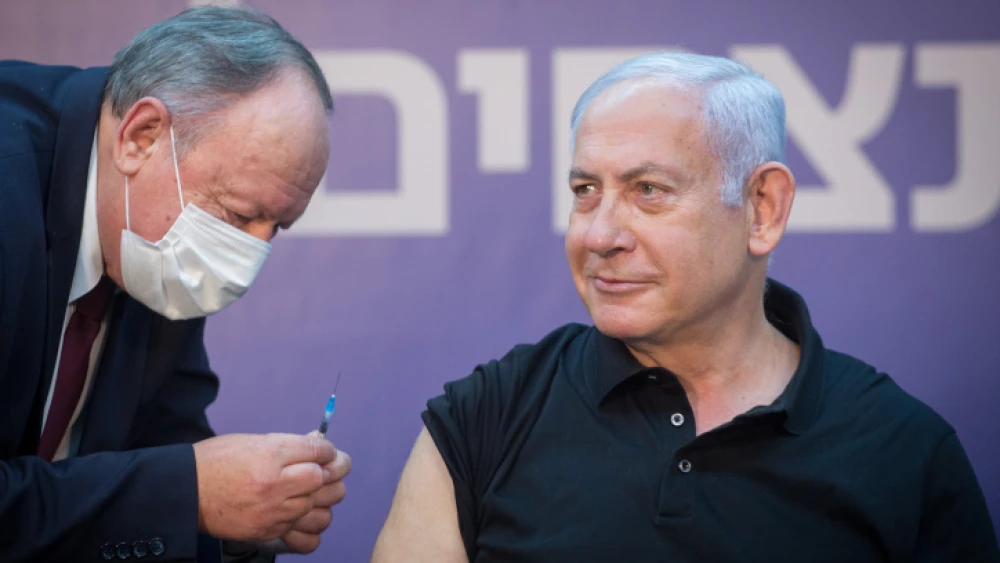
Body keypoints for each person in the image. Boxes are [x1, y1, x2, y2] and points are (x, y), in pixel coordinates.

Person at [371, 52, 999, 562]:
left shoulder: (902, 452)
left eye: (649, 191)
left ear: (762, 209)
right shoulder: (485, 416)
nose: (600, 234)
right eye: (586, 190)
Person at [0, 6, 351, 562]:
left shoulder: (155, 245)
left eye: (276, 228)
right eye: (239, 216)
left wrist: (242, 518)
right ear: (141, 137)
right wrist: (186, 496)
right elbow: (167, 483)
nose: (249, 256)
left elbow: (155, 456)